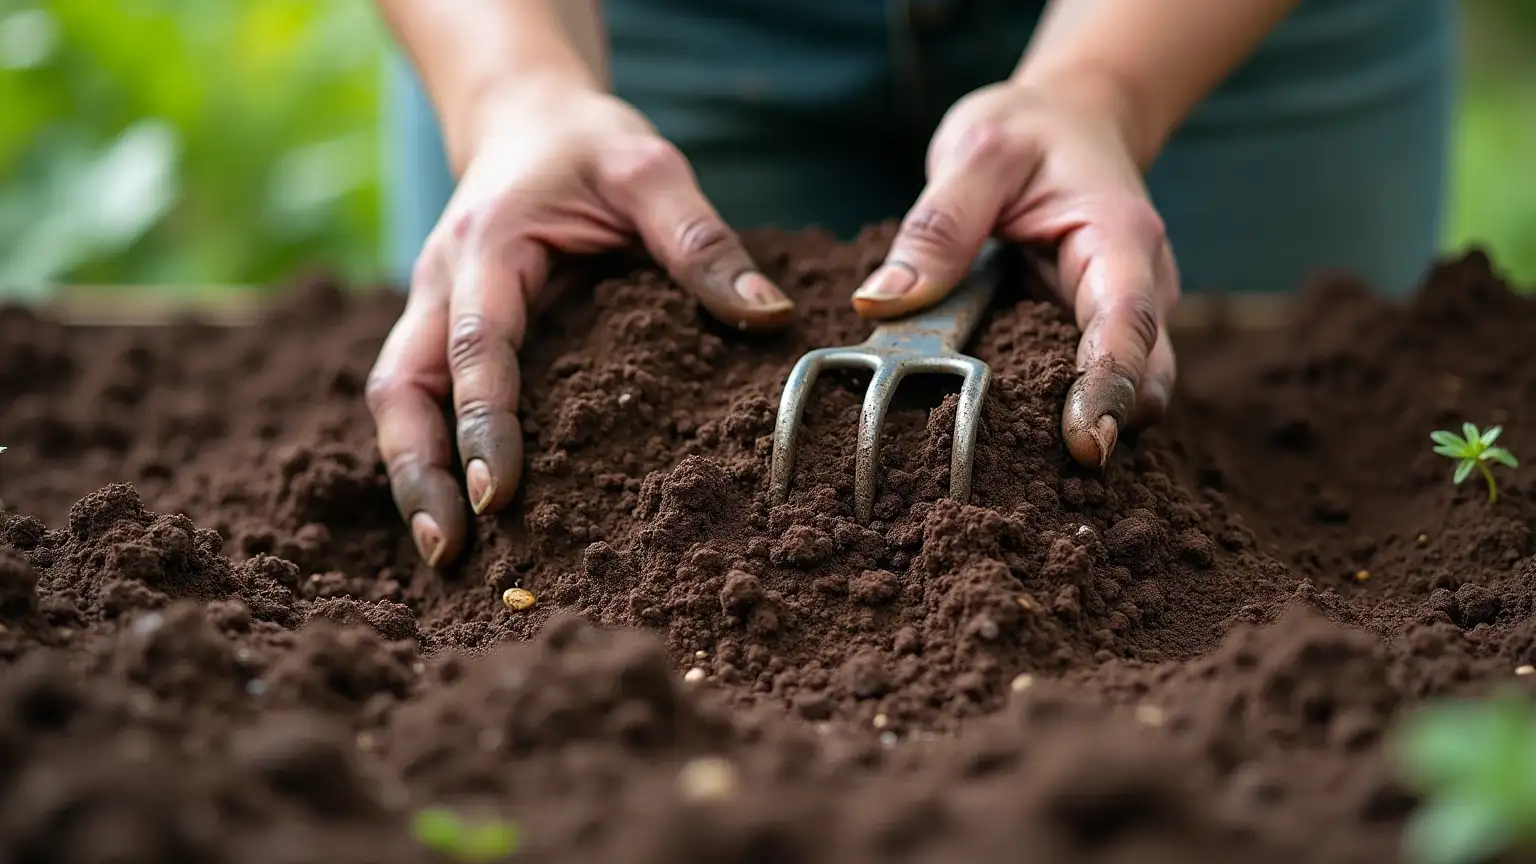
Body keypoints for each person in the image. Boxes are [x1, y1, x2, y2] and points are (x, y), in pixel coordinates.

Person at [369, 0, 1455, 567]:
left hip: (1216, 38)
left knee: (1215, 450)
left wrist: (1109, 86)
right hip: (654, 25)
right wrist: (513, 88)